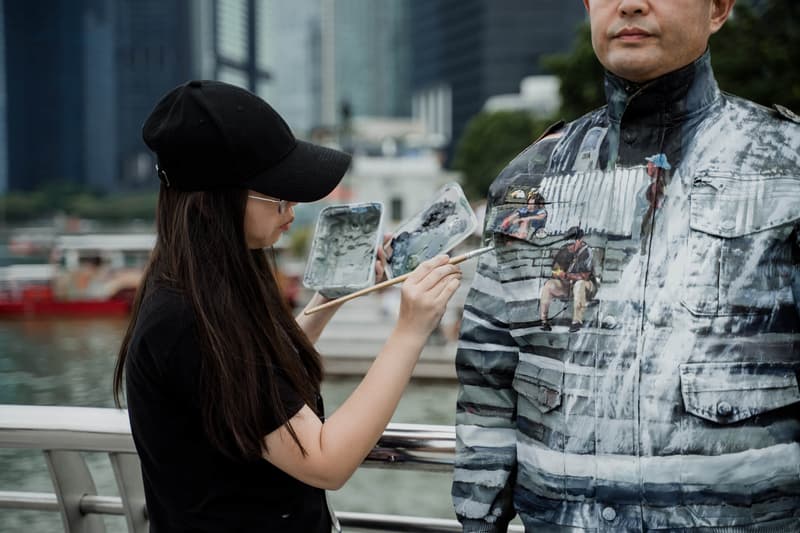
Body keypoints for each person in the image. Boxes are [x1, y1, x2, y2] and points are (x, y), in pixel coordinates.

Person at [452, 0, 800, 531]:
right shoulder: (530, 179)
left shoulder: (785, 163)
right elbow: (487, 377)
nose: (631, 4)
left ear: (719, 9)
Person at [112, 80, 461, 532]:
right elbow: (325, 460)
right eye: (279, 196)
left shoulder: (197, 286)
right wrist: (411, 330)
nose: (292, 211)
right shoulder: (186, 319)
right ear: (217, 201)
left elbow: (257, 378)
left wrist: (329, 298)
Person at [539, 228, 597, 333]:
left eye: (572, 243)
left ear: (579, 240)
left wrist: (567, 276)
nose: (569, 247)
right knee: (549, 285)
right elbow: (555, 268)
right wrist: (558, 273)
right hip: (568, 285)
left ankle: (576, 321)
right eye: (568, 243)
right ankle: (544, 321)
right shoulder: (564, 249)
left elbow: (585, 276)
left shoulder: (587, 251)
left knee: (579, 284)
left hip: (587, 287)